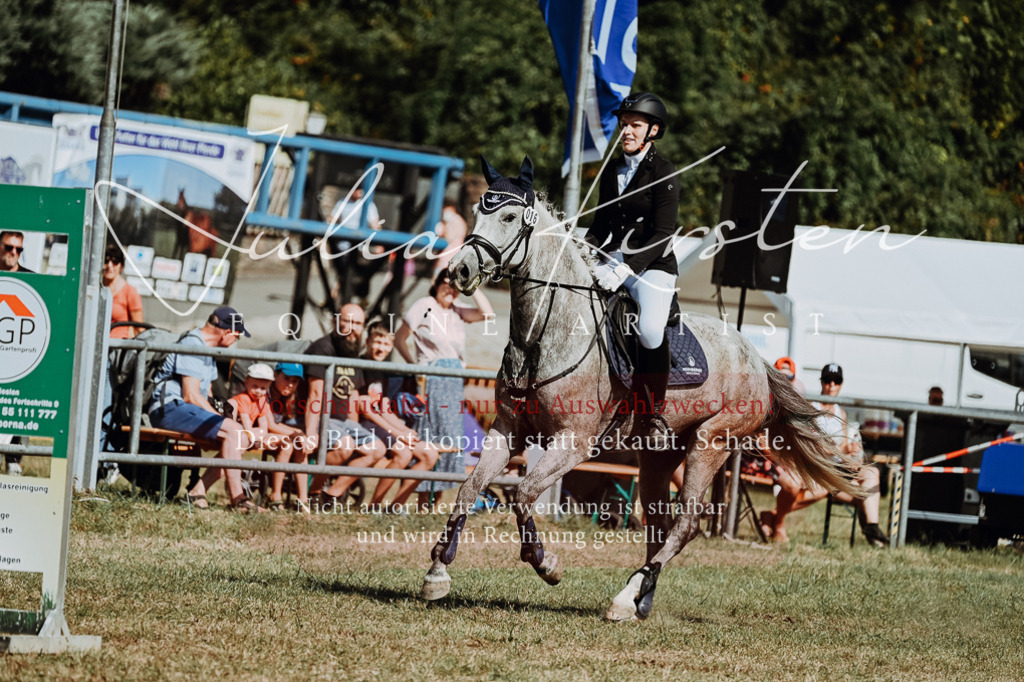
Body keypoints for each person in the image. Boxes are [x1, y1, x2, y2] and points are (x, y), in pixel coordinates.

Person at [584, 92, 681, 448]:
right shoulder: (612, 169)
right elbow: (601, 224)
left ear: (652, 130)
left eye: (634, 125)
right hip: (614, 259)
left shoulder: (665, 172)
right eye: (624, 125)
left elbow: (663, 232)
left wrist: (627, 267)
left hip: (653, 265)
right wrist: (582, 249)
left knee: (650, 330)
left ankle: (651, 413)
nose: (626, 131)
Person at [394, 268, 493, 508]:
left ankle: (432, 504)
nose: (450, 289)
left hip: (454, 380)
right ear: (436, 284)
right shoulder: (424, 305)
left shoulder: (457, 312)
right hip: (432, 379)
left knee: (449, 440)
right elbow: (400, 338)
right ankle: (415, 501)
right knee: (430, 437)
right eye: (446, 283)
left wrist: (473, 285)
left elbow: (488, 315)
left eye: (456, 286)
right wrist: (415, 366)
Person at [760, 363, 890, 547]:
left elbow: (843, 444)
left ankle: (872, 526)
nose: (831, 385)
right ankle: (776, 518)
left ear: (841, 384)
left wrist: (851, 452)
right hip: (818, 467)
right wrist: (840, 451)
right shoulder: (809, 407)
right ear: (821, 382)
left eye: (836, 381)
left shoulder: (840, 412)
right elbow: (809, 445)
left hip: (837, 467)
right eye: (828, 380)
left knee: (872, 473)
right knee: (810, 486)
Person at [147, 306, 261, 512]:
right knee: (234, 432)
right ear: (227, 333)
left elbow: (206, 394)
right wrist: (221, 420)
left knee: (239, 437)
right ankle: (238, 499)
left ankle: (197, 491)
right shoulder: (193, 343)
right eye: (237, 337)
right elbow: (190, 395)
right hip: (169, 407)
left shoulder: (208, 351)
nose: (236, 341)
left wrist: (224, 419)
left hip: (184, 408)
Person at [303, 303, 387, 507]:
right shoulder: (323, 348)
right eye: (347, 321)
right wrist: (311, 432)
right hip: (322, 416)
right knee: (346, 444)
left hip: (343, 422)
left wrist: (354, 425)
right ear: (336, 322)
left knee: (377, 448)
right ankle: (313, 492)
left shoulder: (351, 351)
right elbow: (315, 394)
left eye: (357, 323)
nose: (352, 327)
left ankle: (331, 495)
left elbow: (352, 396)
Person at [360, 320, 440, 511]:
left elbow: (385, 408)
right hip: (363, 424)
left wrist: (405, 430)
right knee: (403, 453)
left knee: (430, 454)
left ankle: (396, 506)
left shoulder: (384, 371)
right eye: (377, 342)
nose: (381, 348)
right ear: (367, 342)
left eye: (386, 344)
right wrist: (397, 433)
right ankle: (374, 506)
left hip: (381, 424)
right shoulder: (360, 367)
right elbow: (366, 410)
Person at [264, 362, 311, 514]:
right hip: (257, 431)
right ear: (275, 375)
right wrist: (297, 433)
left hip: (272, 433)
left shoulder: (288, 399)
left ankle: (303, 499)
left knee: (299, 445)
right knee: (289, 443)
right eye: (286, 378)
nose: (290, 384)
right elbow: (271, 425)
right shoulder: (265, 393)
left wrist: (300, 436)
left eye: (295, 381)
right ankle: (275, 494)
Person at [103, 244, 144, 339]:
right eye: (106, 261)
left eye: (115, 262)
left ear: (121, 266)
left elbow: (140, 329)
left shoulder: (130, 292)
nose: (109, 266)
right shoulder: (96, 289)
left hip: (117, 348)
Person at [434, 199, 468, 273]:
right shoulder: (445, 222)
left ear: (453, 208)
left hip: (452, 261)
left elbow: (449, 237)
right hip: (442, 260)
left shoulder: (457, 220)